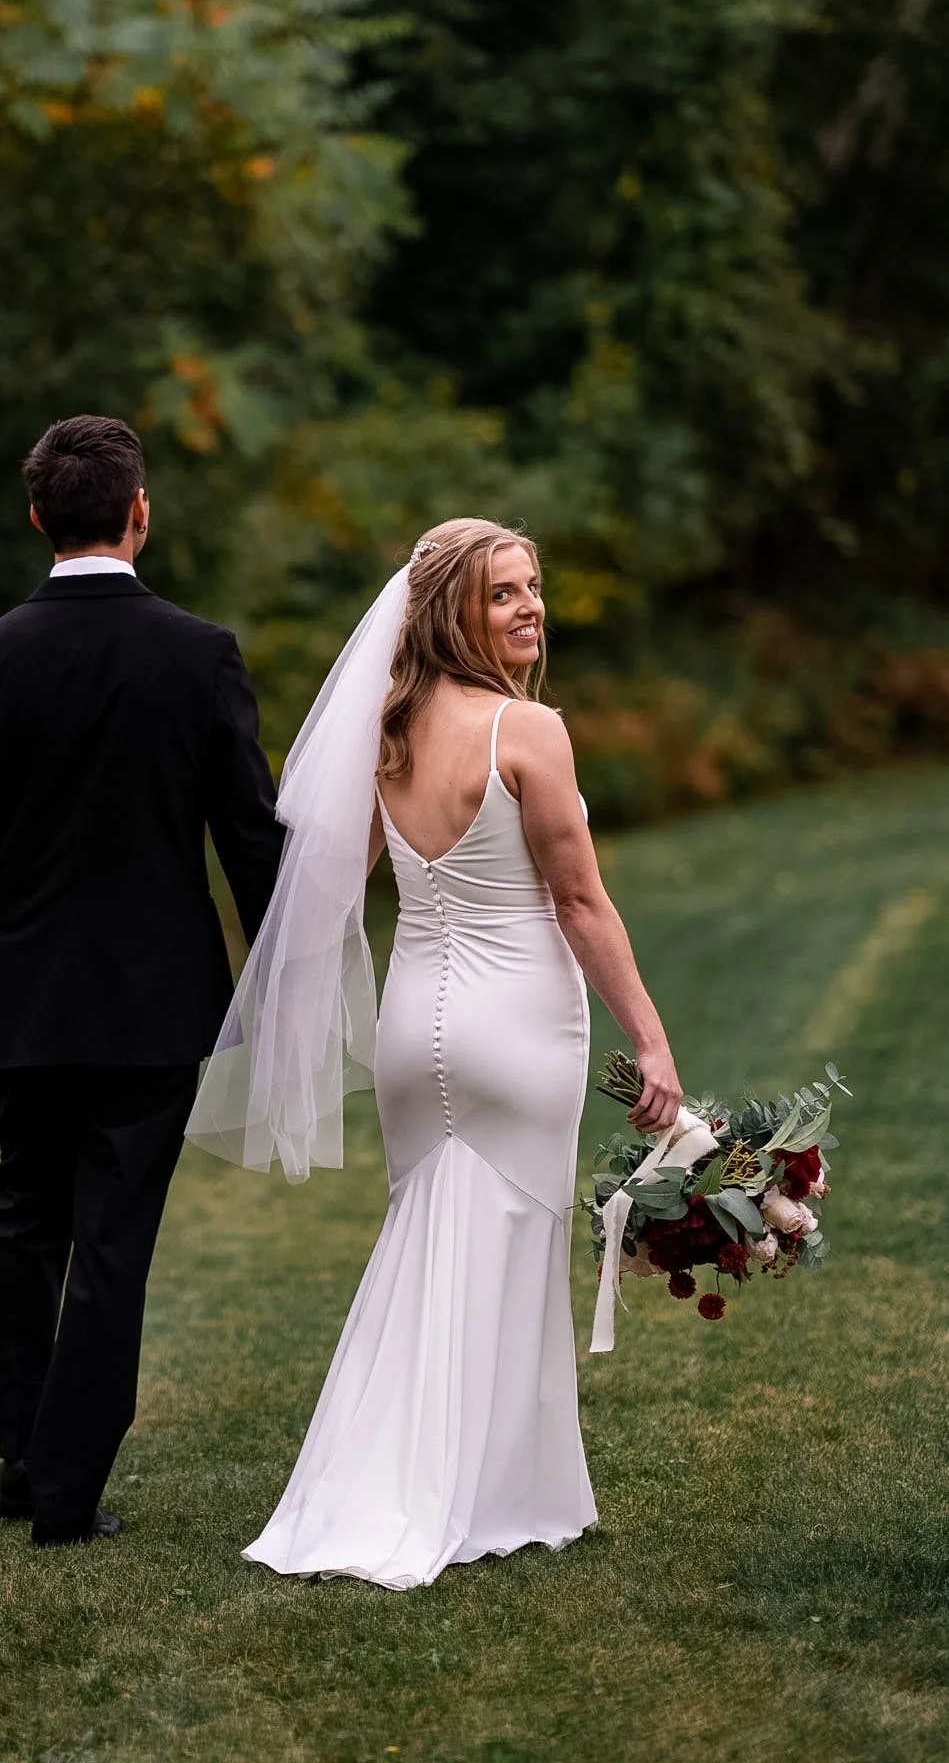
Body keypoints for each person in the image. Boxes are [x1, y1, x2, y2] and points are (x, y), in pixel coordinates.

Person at [188, 517, 682, 1589]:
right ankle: (489, 1492)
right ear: (454, 608)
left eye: (534, 587)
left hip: (418, 1027)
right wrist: (651, 1036)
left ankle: (413, 1478)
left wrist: (287, 1004)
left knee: (431, 1243)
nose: (530, 607)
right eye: (503, 592)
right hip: (518, 1026)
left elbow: (319, 889)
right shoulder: (528, 731)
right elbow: (582, 898)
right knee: (502, 1248)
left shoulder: (390, 733)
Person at [0, 414, 284, 1547]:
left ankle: (28, 1464)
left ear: (39, 516)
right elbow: (250, 838)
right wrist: (278, 972)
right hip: (153, 1000)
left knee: (24, 1221)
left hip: (26, 998)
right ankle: (63, 1493)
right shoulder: (198, 652)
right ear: (138, 512)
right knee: (112, 1240)